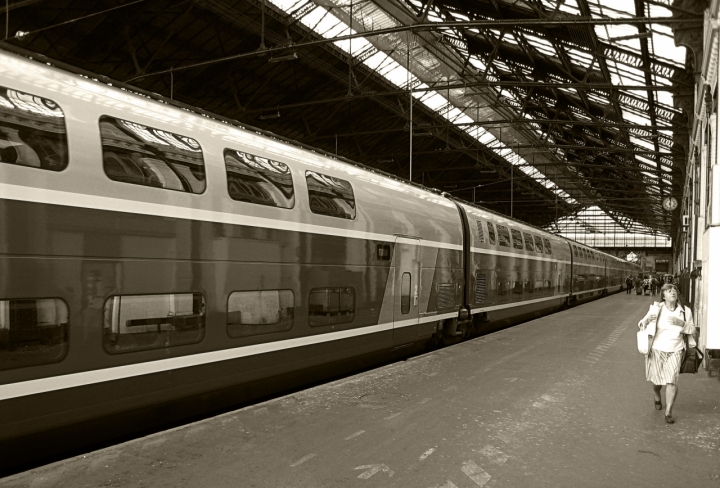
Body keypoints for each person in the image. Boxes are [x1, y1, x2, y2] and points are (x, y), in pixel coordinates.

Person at [637, 283, 695, 424]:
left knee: (671, 381)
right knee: (657, 382)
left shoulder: (685, 311)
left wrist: (681, 323)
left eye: (674, 290)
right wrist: (645, 321)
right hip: (657, 349)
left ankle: (668, 412)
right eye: (669, 291)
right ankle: (657, 394)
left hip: (676, 350)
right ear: (663, 295)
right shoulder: (657, 309)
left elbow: (693, 330)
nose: (672, 292)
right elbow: (641, 324)